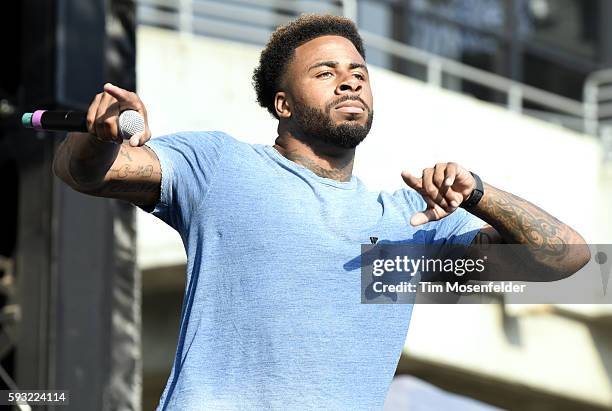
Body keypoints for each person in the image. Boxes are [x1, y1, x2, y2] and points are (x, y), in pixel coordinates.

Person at [52, 14, 589, 410]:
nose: (351, 80)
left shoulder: (411, 225)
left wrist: (479, 194)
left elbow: (569, 261)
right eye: (326, 72)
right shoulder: (221, 167)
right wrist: (97, 135)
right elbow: (83, 172)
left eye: (358, 71)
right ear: (283, 104)